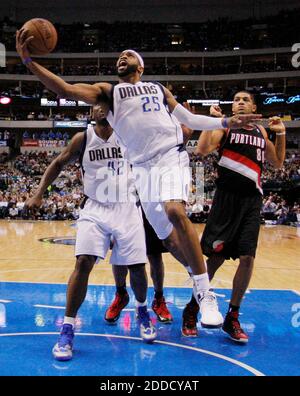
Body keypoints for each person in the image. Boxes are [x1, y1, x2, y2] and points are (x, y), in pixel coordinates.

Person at [16, 32, 261, 333]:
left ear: (140, 68)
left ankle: (204, 293)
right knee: (168, 239)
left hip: (170, 156)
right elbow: (64, 88)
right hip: (142, 171)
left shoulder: (157, 90)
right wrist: (29, 62)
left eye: (130, 55)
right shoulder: (109, 94)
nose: (123, 57)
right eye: (120, 55)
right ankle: (191, 280)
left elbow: (190, 119)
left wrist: (225, 123)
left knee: (174, 211)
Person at [25, 106, 157, 361]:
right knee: (83, 262)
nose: (99, 108)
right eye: (94, 104)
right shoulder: (82, 138)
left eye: (104, 103)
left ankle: (142, 312)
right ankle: (67, 328)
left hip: (126, 206)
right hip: (94, 207)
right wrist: (39, 193)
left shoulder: (129, 134)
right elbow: (58, 162)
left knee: (137, 266)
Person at [182, 91, 286, 341]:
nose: (240, 102)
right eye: (236, 100)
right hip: (226, 199)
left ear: (253, 106)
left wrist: (280, 133)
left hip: (251, 201)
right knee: (215, 259)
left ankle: (232, 317)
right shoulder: (225, 128)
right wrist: (212, 121)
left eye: (245, 99)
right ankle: (193, 308)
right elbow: (204, 149)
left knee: (247, 258)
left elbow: (278, 162)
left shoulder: (261, 133)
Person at [105, 208, 173, 324]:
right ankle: (121, 294)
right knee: (119, 251)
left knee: (155, 255)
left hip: (147, 205)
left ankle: (158, 298)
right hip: (123, 205)